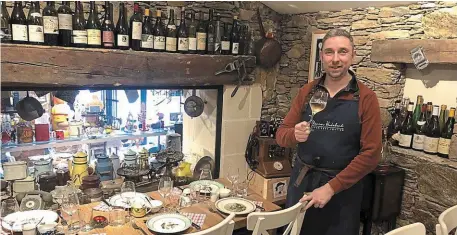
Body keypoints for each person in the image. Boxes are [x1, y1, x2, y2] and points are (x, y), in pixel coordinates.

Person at [275, 28, 382, 235]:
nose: (335, 59)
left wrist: (331, 188)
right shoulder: (307, 92)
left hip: (342, 192)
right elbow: (281, 135)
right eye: (329, 52)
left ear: (353, 55)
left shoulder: (366, 98)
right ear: (322, 56)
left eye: (342, 52)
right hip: (302, 184)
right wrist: (293, 135)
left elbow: (371, 154)